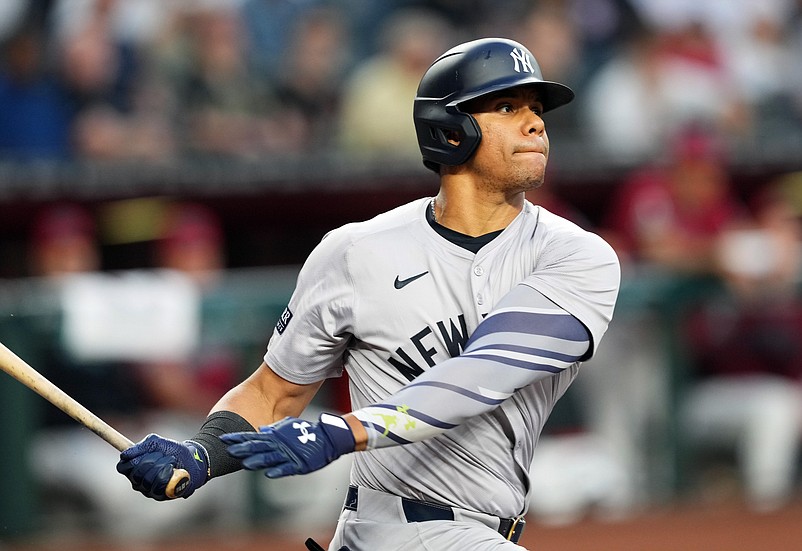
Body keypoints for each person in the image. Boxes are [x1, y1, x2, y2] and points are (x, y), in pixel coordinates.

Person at [117, 38, 620, 551]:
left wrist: (340, 432)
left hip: (485, 529)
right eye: (507, 107)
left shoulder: (577, 256)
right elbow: (274, 394)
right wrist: (199, 454)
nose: (536, 123)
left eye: (537, 109)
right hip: (388, 530)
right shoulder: (356, 252)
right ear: (451, 130)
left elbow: (479, 375)